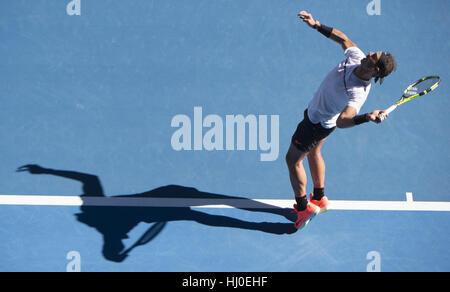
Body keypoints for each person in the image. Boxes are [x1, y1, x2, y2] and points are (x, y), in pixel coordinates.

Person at [286, 11, 397, 229]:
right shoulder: (357, 56)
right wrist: (316, 24)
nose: (371, 51)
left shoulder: (358, 92)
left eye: (374, 55)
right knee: (315, 152)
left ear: (374, 69)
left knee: (293, 159)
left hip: (316, 122)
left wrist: (366, 117)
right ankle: (319, 197)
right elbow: (343, 38)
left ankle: (302, 208)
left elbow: (343, 121)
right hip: (322, 122)